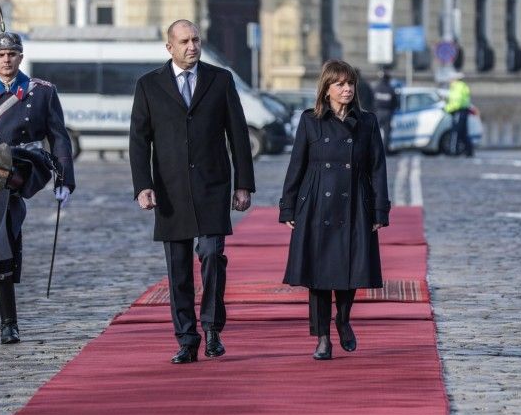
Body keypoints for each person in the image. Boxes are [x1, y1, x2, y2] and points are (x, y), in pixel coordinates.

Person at [129, 19, 255, 364]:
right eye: (184, 41)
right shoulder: (149, 85)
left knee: (213, 254)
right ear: (169, 47)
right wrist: (143, 186)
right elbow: (139, 141)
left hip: (213, 185)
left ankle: (212, 327)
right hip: (170, 190)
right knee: (178, 267)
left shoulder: (220, 79)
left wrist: (244, 183)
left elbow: (238, 134)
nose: (192, 47)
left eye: (196, 40)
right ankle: (187, 338)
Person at [0, 27, 75, 344]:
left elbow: (58, 137)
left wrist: (65, 179)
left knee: (8, 167)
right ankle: (8, 321)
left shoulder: (42, 91)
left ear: (20, 57)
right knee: (0, 236)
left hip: (28, 165)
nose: (6, 60)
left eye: (12, 54)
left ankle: (6, 249)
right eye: (0, 55)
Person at [279, 60, 390, 361]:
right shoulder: (310, 120)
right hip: (316, 202)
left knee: (351, 268)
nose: (347, 89)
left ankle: (342, 318)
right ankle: (322, 338)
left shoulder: (367, 122)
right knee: (318, 275)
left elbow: (378, 168)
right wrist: (288, 205)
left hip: (354, 200)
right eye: (340, 83)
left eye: (350, 83)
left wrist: (380, 210)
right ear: (326, 88)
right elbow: (296, 166)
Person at [444, 71, 474, 157]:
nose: (449, 80)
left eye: (450, 79)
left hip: (458, 112)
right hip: (464, 111)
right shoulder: (463, 86)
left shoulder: (456, 87)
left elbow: (456, 102)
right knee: (463, 133)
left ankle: (453, 151)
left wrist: (447, 109)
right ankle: (469, 151)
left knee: (455, 132)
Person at [372, 69, 399, 152]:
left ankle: (374, 149)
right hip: (387, 112)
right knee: (387, 132)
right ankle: (385, 150)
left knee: (374, 132)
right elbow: (396, 103)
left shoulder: (376, 88)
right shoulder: (390, 89)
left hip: (377, 112)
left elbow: (371, 100)